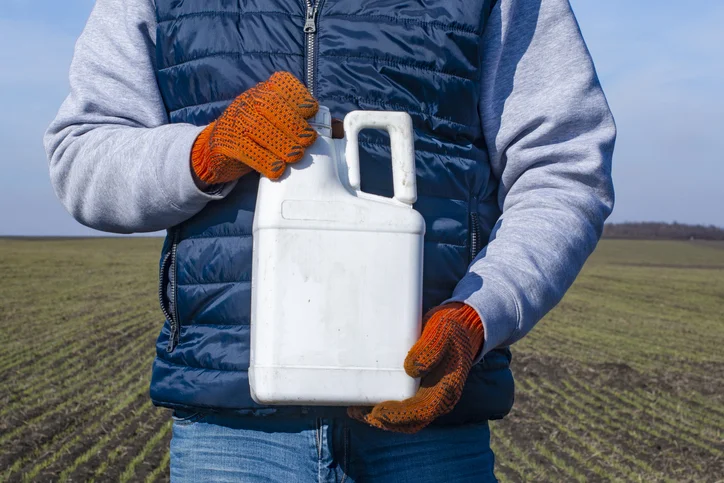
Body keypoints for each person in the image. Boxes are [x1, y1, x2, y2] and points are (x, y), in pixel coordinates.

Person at [44, 0, 615, 481]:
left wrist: (478, 316)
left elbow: (563, 165)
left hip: (428, 425)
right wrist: (204, 153)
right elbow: (82, 155)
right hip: (231, 434)